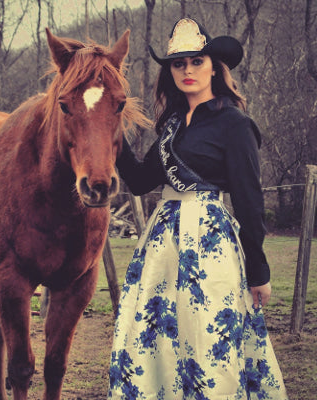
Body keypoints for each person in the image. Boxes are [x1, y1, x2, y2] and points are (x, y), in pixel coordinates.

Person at [108, 18, 288, 399]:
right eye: (178, 64)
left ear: (214, 67)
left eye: (196, 61)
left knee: (207, 332)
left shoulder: (234, 124)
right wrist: (109, 132)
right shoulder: (171, 124)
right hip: (161, 246)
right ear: (169, 70)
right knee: (158, 334)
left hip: (209, 243)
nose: (187, 71)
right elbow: (140, 183)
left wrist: (258, 269)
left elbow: (248, 201)